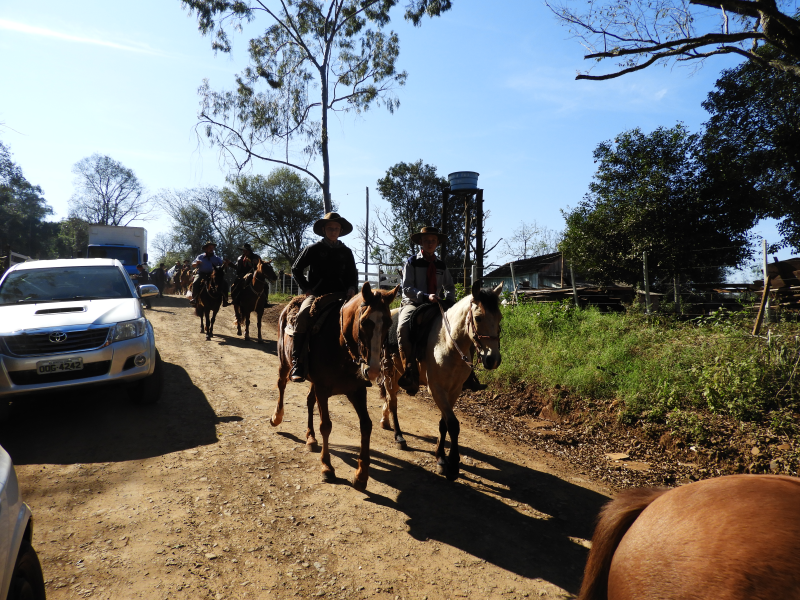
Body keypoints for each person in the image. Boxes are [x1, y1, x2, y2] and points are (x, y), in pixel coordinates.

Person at [396, 227, 488, 394]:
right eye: (426, 240)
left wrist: (450, 301)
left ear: (437, 243)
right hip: (414, 303)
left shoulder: (441, 265)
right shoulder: (411, 262)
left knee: (467, 327)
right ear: (421, 243)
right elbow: (407, 288)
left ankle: (469, 373)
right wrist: (424, 296)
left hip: (436, 303)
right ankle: (410, 369)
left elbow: (449, 287)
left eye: (433, 240)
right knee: (403, 327)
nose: (430, 243)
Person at [289, 212, 358, 382]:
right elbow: (296, 269)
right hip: (318, 295)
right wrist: (307, 288)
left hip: (342, 295)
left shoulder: (346, 252)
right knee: (303, 316)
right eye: (330, 228)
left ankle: (360, 364)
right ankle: (298, 362)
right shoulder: (313, 249)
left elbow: (352, 274)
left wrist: (351, 288)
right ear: (323, 230)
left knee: (363, 318)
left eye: (336, 228)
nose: (333, 231)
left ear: (340, 230)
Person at [190, 241, 229, 307]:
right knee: (195, 283)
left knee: (225, 283)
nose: (211, 249)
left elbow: (222, 265)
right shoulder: (200, 257)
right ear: (206, 249)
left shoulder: (217, 258)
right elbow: (193, 265)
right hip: (201, 274)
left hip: (213, 275)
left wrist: (225, 264)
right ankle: (194, 299)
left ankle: (225, 300)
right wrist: (196, 263)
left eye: (212, 247)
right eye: (210, 247)